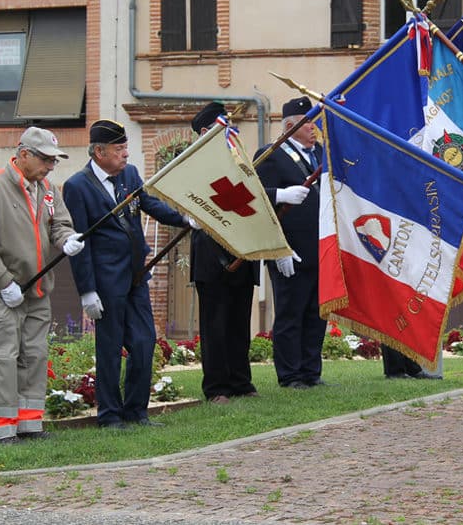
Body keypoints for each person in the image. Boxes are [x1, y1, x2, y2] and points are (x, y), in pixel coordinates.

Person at [63, 119, 194, 428]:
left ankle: (136, 411)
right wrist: (87, 291)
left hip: (137, 275)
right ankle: (109, 415)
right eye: (119, 149)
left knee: (145, 341)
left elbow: (148, 204)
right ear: (99, 151)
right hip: (106, 281)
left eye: (125, 148)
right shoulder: (77, 186)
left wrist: (186, 221)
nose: (126, 154)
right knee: (109, 348)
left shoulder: (130, 175)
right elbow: (80, 241)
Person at [0, 128, 84, 443]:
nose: (51, 166)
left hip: (38, 292)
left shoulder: (47, 189)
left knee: (34, 357)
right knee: (1, 358)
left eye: (53, 160)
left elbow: (59, 223)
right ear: (23, 155)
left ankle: (29, 424)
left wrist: (66, 240)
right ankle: (2, 428)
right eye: (46, 159)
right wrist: (3, 281)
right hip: (2, 295)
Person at [189, 102, 259, 403]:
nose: (230, 132)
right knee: (215, 324)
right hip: (211, 254)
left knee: (239, 322)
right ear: (206, 131)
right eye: (223, 126)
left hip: (240, 249)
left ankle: (241, 381)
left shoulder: (236, 160)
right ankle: (217, 386)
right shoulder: (193, 164)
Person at [256, 97, 328, 389]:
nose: (314, 128)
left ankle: (311, 371)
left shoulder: (320, 153)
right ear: (290, 125)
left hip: (320, 248)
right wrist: (281, 194)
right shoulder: (271, 155)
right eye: (309, 122)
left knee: (315, 313)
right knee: (290, 312)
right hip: (290, 250)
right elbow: (256, 196)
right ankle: (290, 374)